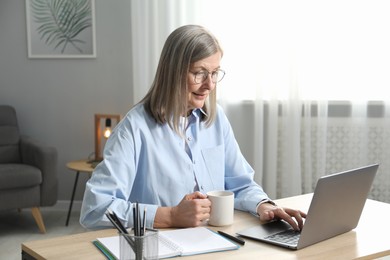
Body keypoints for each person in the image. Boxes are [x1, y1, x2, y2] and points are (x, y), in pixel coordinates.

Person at [80, 24, 306, 231]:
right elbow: (95, 209)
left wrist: (263, 204)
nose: (209, 85)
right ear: (173, 72)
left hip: (216, 241)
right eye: (199, 73)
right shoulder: (133, 129)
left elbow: (239, 183)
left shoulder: (216, 120)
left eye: (215, 73)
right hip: (159, 247)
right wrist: (169, 216)